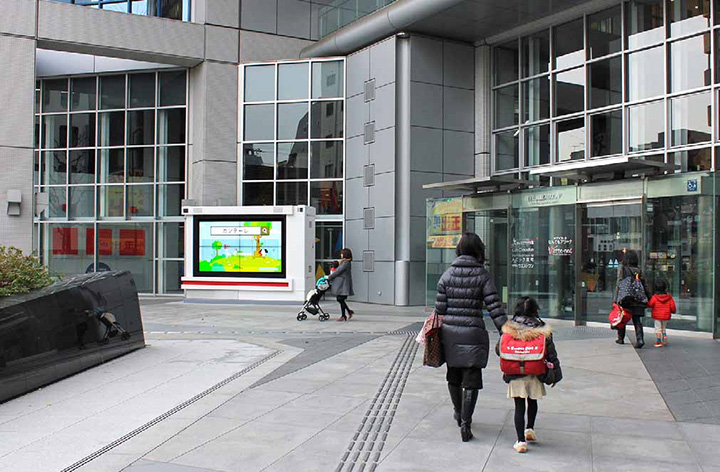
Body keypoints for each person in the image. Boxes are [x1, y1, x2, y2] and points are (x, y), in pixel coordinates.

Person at [435, 232, 507, 442]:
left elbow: (439, 310)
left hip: (450, 334)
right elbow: (494, 306)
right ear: (478, 250)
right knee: (472, 379)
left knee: (454, 376)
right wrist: (505, 330)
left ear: (459, 250)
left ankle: (458, 413)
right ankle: (466, 423)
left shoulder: (446, 275)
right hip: (473, 333)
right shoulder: (483, 275)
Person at [499, 297, 560, 453]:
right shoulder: (542, 329)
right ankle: (530, 429)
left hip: (515, 372)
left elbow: (499, 349)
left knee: (519, 406)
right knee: (532, 401)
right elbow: (551, 354)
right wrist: (555, 375)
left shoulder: (509, 327)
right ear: (535, 310)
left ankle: (520, 441)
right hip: (535, 371)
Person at [615, 250, 651, 348]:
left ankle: (620, 338)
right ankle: (640, 339)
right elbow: (645, 285)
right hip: (638, 299)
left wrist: (616, 299)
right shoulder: (639, 270)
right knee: (637, 320)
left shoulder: (623, 269)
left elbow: (619, 284)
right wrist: (649, 297)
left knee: (622, 319)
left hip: (626, 298)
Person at [328, 248, 354, 321]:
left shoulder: (346, 263)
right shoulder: (344, 262)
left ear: (345, 254)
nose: (341, 255)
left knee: (340, 299)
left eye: (342, 253)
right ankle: (348, 312)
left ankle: (344, 315)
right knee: (340, 299)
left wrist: (329, 277)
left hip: (344, 285)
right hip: (342, 284)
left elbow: (338, 271)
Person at [648, 280, 676, 347]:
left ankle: (659, 341)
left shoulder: (654, 297)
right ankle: (664, 338)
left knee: (658, 328)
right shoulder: (669, 297)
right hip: (666, 315)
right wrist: (673, 311)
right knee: (663, 327)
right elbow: (672, 306)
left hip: (657, 316)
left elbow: (650, 304)